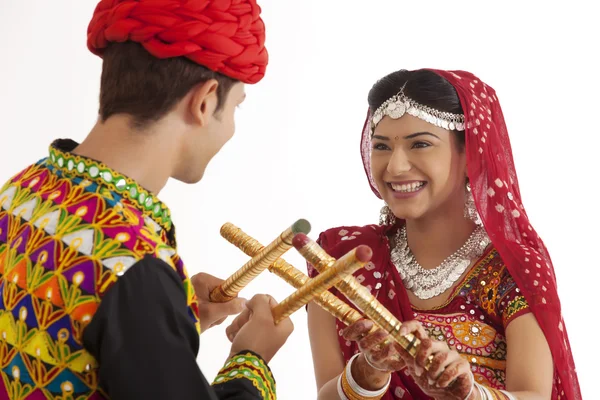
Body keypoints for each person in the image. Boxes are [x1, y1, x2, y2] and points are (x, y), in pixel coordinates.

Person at [0, 0, 293, 399]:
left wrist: (166, 322)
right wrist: (251, 360)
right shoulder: (136, 270)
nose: (231, 128)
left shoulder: (23, 190)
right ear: (205, 101)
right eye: (236, 105)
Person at [307, 69, 581, 400]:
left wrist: (468, 395)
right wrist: (367, 371)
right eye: (381, 146)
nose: (394, 167)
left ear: (471, 154)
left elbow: (534, 394)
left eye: (420, 144)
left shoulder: (511, 269)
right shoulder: (343, 260)